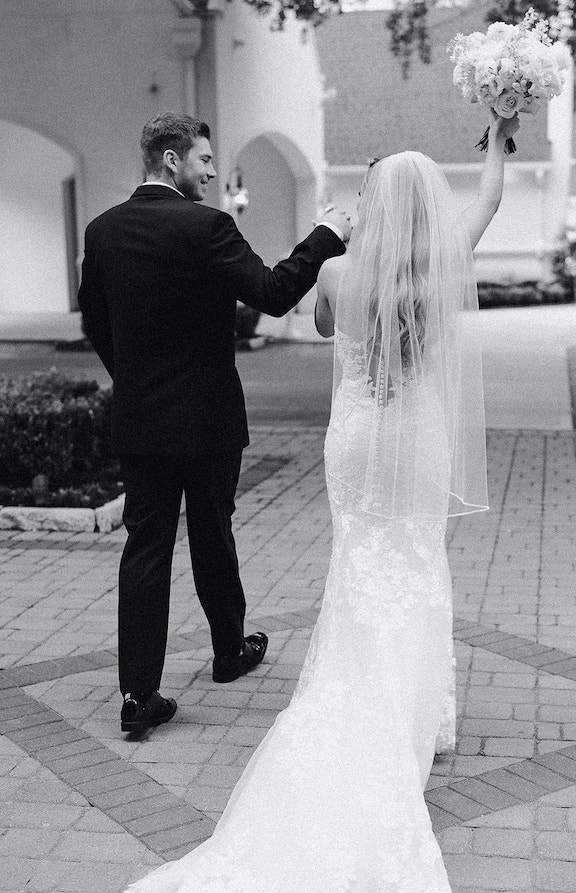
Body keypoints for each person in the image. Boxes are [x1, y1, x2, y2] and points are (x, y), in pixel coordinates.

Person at [124, 112, 519, 892]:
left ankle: (349, 692)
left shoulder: (341, 275)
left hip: (359, 439)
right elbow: (490, 203)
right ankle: (415, 712)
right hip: (414, 438)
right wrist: (499, 142)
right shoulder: (438, 271)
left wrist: (342, 240)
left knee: (359, 560)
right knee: (414, 556)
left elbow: (320, 319)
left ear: (372, 205)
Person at [78, 112, 351, 735]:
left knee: (145, 546)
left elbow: (95, 320)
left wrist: (134, 379)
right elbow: (274, 291)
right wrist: (326, 234)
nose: (210, 170)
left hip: (142, 418)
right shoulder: (207, 226)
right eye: (203, 159)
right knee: (211, 531)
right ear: (172, 160)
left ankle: (137, 694)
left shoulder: (103, 230)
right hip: (207, 418)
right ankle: (229, 651)